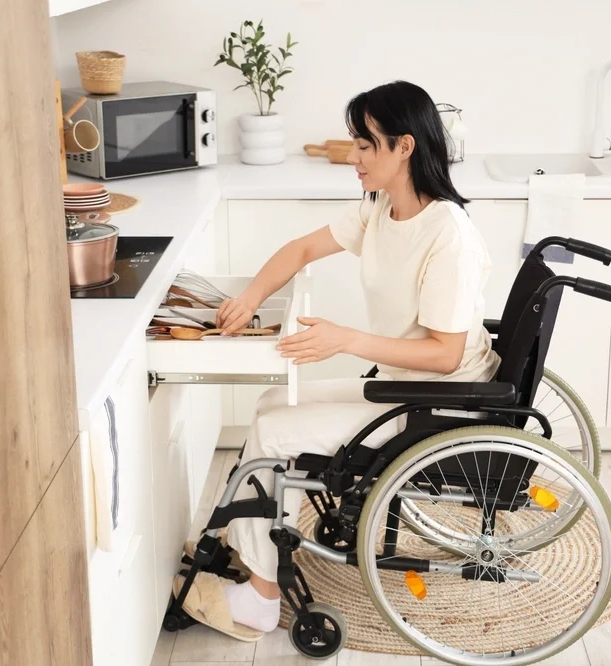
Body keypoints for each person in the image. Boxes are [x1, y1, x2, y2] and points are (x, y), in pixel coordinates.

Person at [199, 80, 501, 638]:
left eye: (366, 144)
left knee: (275, 436)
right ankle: (252, 557)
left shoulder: (447, 234)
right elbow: (302, 248)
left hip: (437, 402)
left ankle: (263, 599)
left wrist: (345, 340)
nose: (353, 157)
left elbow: (445, 353)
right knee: (268, 406)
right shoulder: (383, 208)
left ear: (404, 148)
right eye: (354, 142)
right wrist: (250, 297)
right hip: (401, 384)